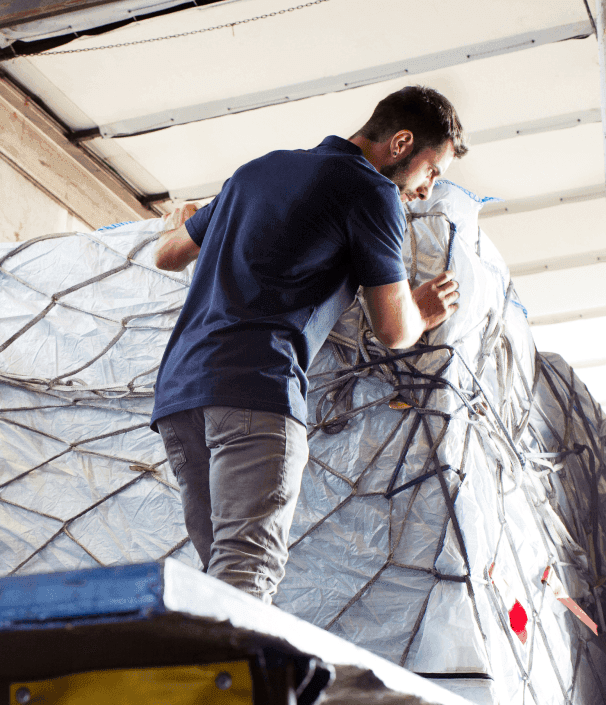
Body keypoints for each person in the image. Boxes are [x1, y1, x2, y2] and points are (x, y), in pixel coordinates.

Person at [151, 85, 467, 604]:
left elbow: (168, 255)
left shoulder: (255, 170)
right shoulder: (371, 191)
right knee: (247, 570)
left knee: (221, 579)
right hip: (256, 387)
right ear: (402, 142)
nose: (428, 191)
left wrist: (199, 219)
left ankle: (208, 678)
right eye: (432, 171)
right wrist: (424, 312)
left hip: (180, 395)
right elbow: (392, 330)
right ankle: (236, 686)